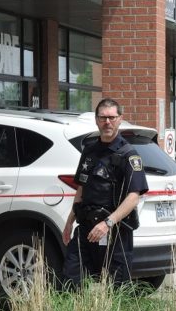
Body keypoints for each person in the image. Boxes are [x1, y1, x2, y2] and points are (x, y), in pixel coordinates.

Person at [62, 98, 148, 287]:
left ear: (120, 119)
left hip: (114, 233)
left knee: (116, 290)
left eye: (111, 117)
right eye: (103, 118)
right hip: (86, 230)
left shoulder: (129, 154)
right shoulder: (89, 151)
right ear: (96, 119)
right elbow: (81, 188)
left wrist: (108, 223)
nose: (107, 122)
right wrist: (69, 222)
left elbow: (134, 196)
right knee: (70, 282)